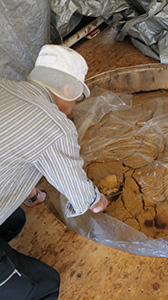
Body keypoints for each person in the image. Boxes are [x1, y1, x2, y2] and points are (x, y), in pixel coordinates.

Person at [0, 45, 108, 299]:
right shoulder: (54, 126)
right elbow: (81, 197)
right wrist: (96, 200)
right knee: (46, 285)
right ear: (69, 89)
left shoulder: (3, 87)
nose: (74, 104)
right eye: (77, 97)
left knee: (14, 219)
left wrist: (27, 190)